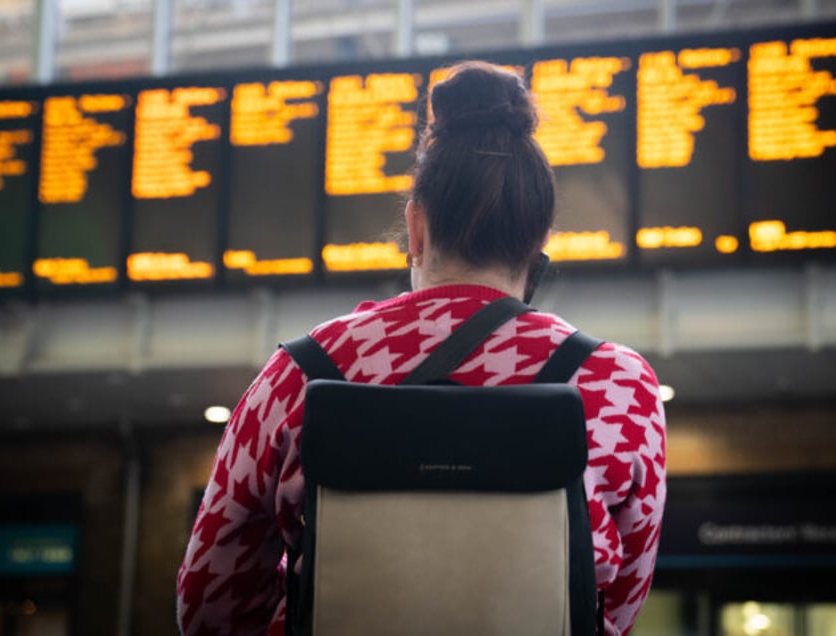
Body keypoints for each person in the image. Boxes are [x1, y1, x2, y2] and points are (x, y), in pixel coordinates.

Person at [177, 61, 666, 636]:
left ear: (415, 227)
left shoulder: (301, 372)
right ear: (540, 241)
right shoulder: (617, 386)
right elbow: (616, 609)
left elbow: (207, 606)